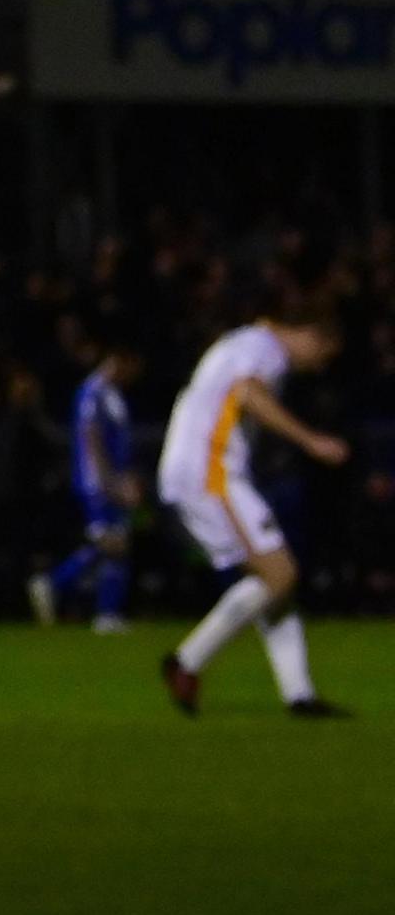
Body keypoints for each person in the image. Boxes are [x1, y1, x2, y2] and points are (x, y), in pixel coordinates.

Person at [155, 304, 352, 719]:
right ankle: (186, 662)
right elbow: (246, 392)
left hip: (203, 467)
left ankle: (300, 696)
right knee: (280, 575)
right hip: (211, 469)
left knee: (274, 581)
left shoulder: (248, 341)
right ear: (316, 337)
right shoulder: (266, 349)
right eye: (325, 357)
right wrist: (311, 441)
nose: (319, 368)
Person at [32, 339, 145, 634]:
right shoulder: (92, 392)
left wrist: (128, 477)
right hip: (97, 482)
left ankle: (101, 611)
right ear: (120, 360)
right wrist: (111, 481)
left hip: (113, 479)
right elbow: (92, 440)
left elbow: (118, 442)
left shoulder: (111, 393)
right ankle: (59, 586)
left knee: (115, 543)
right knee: (111, 542)